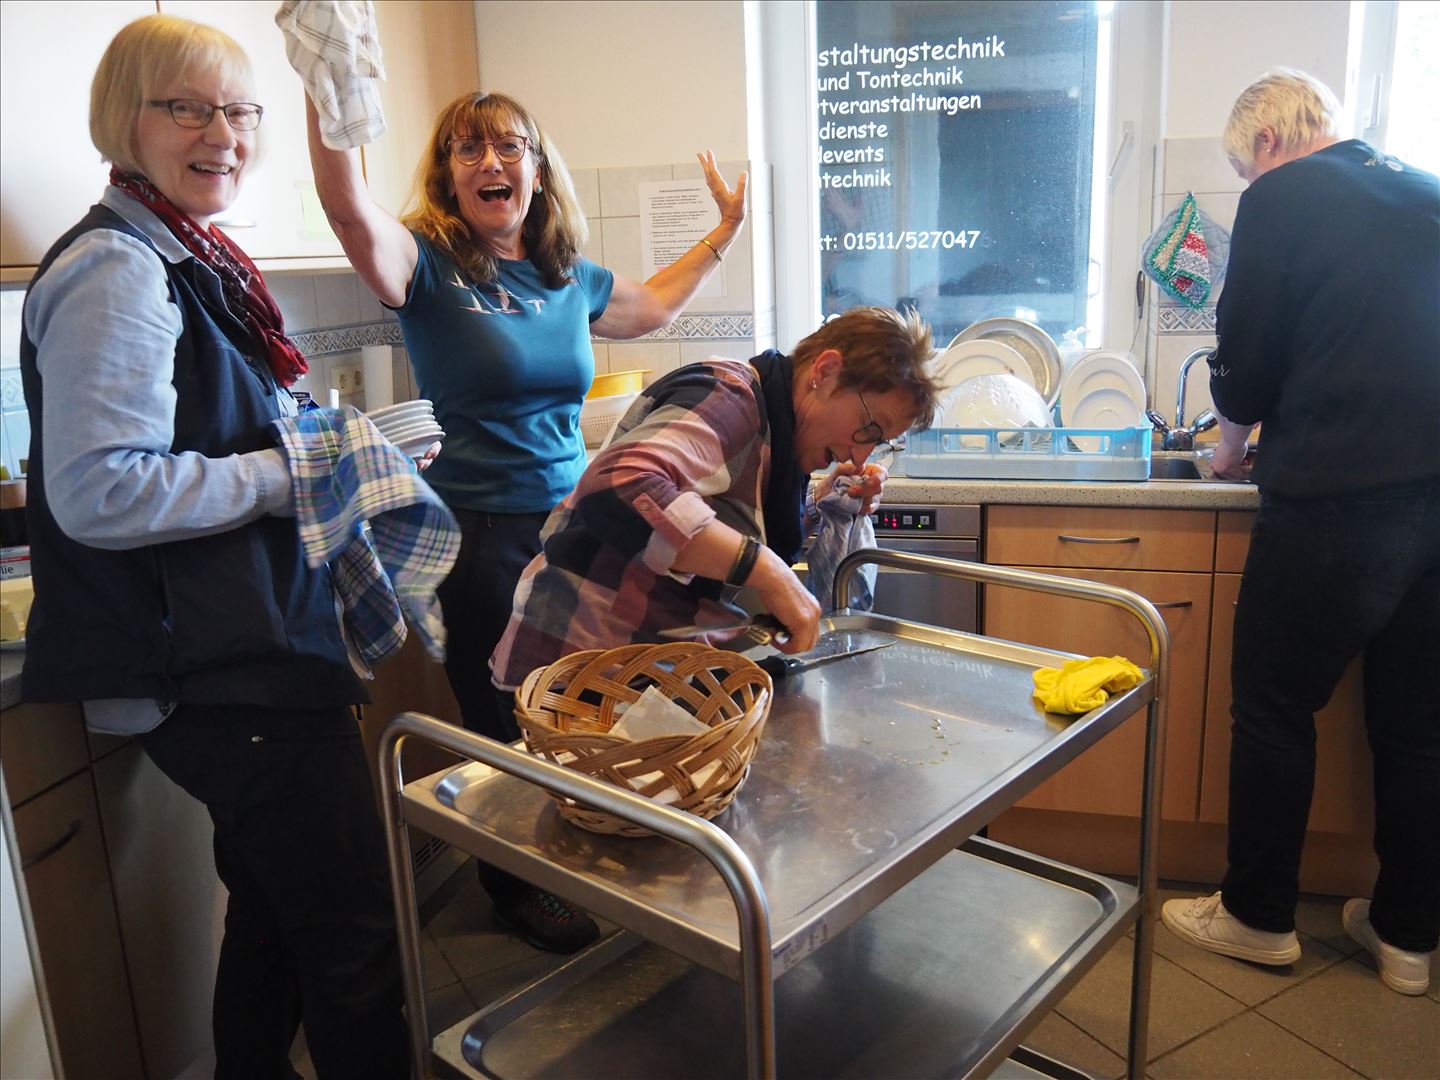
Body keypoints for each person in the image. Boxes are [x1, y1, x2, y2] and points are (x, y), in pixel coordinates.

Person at [17, 15, 408, 1078]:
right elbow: (101, 491)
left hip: (239, 654)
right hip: (214, 671)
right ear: (125, 119)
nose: (222, 134)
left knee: (277, 917)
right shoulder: (118, 268)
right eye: (186, 108)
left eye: (238, 110)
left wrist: (307, 449)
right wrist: (291, 475)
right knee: (355, 934)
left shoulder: (183, 255)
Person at [304, 88, 747, 952]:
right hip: (478, 534)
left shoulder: (563, 275)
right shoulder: (428, 267)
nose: (490, 163)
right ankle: (514, 889)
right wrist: (331, 88)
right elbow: (350, 211)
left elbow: (654, 305)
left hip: (574, 528)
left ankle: (581, 865)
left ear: (537, 171)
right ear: (448, 175)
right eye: (468, 149)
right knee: (503, 720)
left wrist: (722, 234)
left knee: (579, 711)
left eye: (509, 147)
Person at [1161, 69, 1440, 996]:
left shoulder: (1282, 196)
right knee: (1417, 727)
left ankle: (1257, 917)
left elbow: (1245, 360)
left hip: (1336, 496)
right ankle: (1406, 937)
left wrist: (1227, 449)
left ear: (1268, 142)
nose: (1250, 183)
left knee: (1275, 706)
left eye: (1245, 169)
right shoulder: (1426, 188)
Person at [491, 305, 940, 698]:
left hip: (641, 673)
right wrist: (769, 572)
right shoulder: (730, 397)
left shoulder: (776, 433)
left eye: (879, 442)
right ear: (824, 372)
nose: (859, 455)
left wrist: (821, 501)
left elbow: (721, 515)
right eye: (869, 427)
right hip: (576, 678)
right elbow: (618, 486)